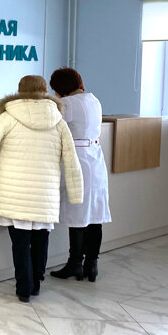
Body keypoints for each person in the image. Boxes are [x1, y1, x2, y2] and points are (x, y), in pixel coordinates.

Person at [0, 74, 83, 302]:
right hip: (45, 194)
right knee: (41, 239)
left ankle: (23, 287)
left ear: (19, 90)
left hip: (12, 192)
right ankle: (36, 281)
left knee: (19, 243)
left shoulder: (6, 118)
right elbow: (71, 159)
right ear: (45, 90)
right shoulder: (59, 121)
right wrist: (76, 194)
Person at [49, 67, 112, 283]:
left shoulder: (67, 104)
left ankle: (75, 262)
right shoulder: (93, 100)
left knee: (77, 213)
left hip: (78, 160)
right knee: (94, 215)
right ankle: (91, 264)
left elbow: (52, 126)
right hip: (95, 159)